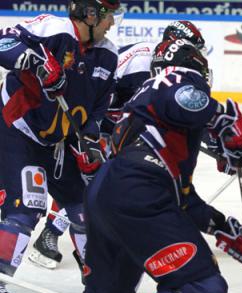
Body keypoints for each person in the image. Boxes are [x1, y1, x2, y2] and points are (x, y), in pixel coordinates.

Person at [34, 38, 242, 293]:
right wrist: (228, 121)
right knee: (205, 288)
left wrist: (228, 232)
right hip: (139, 190)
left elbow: (184, 200)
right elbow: (189, 102)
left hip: (108, 194)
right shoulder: (177, 79)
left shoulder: (145, 109)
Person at [27, 20, 207, 270]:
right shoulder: (144, 60)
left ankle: (64, 237)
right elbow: (105, 95)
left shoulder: (164, 65)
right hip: (94, 122)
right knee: (89, 178)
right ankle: (51, 234)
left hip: (115, 124)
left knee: (96, 180)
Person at [0, 0, 122, 293]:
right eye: (108, 16)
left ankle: (96, 277)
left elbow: (97, 110)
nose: (111, 23)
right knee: (29, 204)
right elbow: (4, 42)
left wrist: (90, 142)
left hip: (58, 142)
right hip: (19, 130)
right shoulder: (54, 29)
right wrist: (31, 60)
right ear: (91, 14)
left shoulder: (107, 54)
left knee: (85, 206)